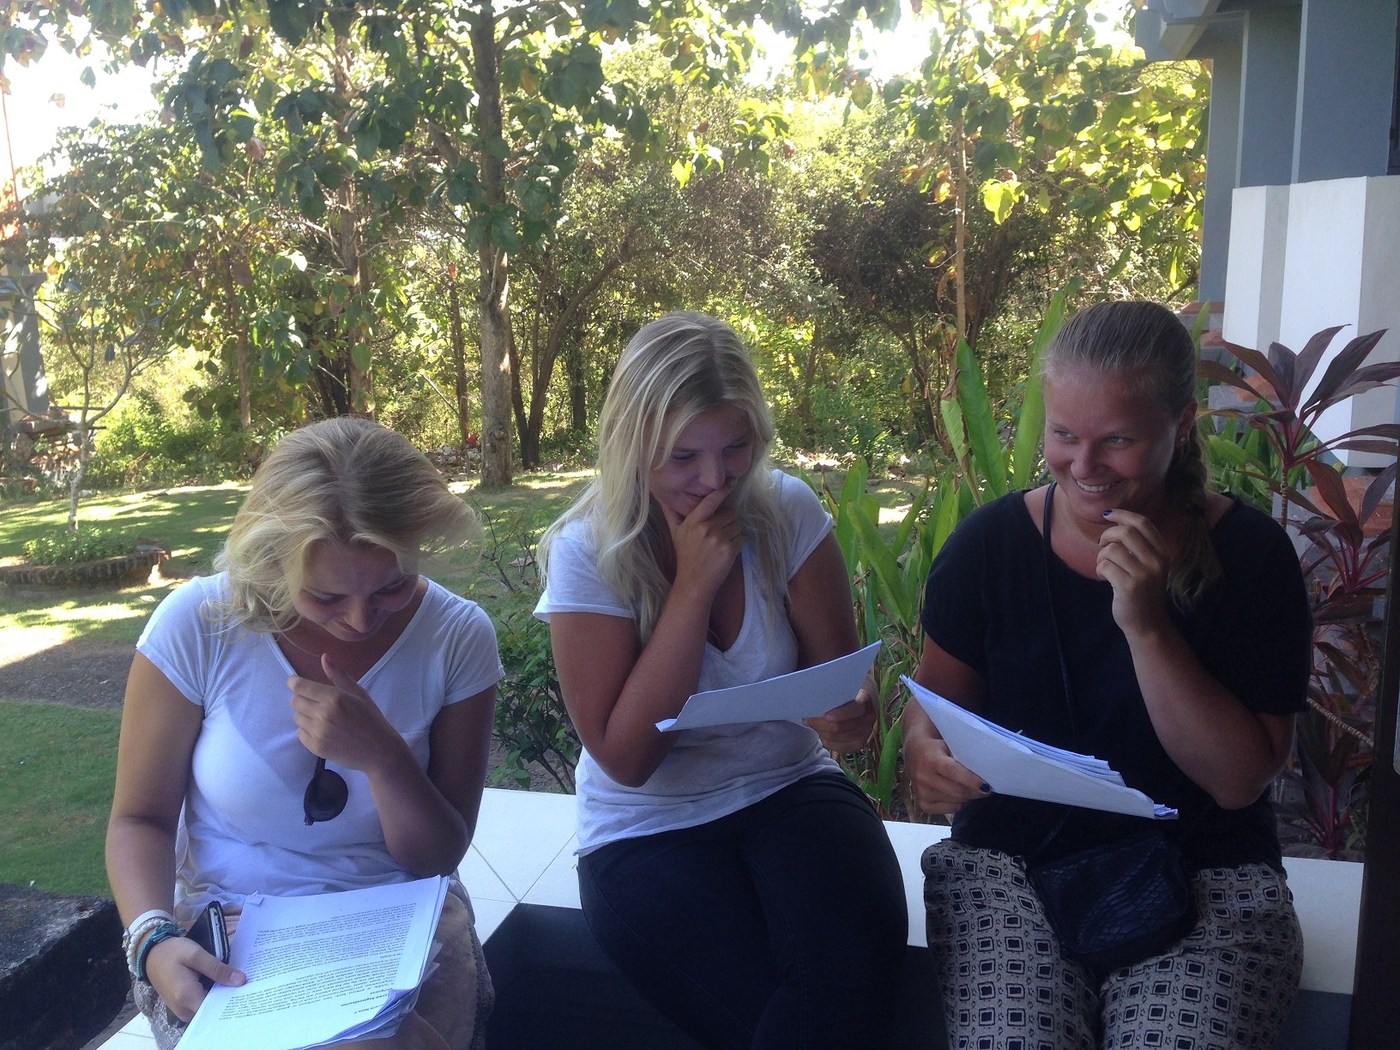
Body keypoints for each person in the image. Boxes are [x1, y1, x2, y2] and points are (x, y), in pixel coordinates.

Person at [903, 300, 1309, 1049]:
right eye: (1064, 435)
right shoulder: (991, 546)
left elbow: (1238, 781)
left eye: (1117, 440)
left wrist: (1147, 625)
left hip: (1205, 876)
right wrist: (925, 752)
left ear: (1181, 423)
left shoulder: (1251, 557)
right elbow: (933, 704)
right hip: (1012, 868)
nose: (1084, 468)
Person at [534, 312, 907, 1050]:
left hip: (790, 787)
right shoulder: (589, 551)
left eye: (736, 448)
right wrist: (693, 586)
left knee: (846, 978)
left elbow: (841, 689)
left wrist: (853, 711)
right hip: (647, 825)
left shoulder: (787, 511)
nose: (714, 480)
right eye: (683, 457)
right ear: (633, 447)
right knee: (779, 1016)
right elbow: (627, 758)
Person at [107, 417, 502, 1050]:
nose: (360, 620)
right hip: (232, 927)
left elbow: (436, 856)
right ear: (273, 563)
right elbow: (139, 819)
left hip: (394, 924)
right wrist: (152, 939)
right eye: (325, 597)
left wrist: (384, 758)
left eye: (392, 587)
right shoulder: (201, 625)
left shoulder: (456, 637)